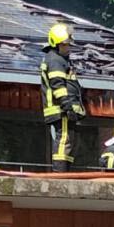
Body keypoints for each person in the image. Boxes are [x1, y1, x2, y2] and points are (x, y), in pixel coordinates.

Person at [40, 22, 86, 172]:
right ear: (56, 44)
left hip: (64, 109)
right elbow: (58, 86)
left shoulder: (60, 59)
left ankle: (66, 171)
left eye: (68, 44)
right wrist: (67, 106)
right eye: (65, 45)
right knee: (64, 139)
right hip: (60, 109)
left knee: (71, 140)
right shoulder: (55, 60)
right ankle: (59, 172)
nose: (68, 48)